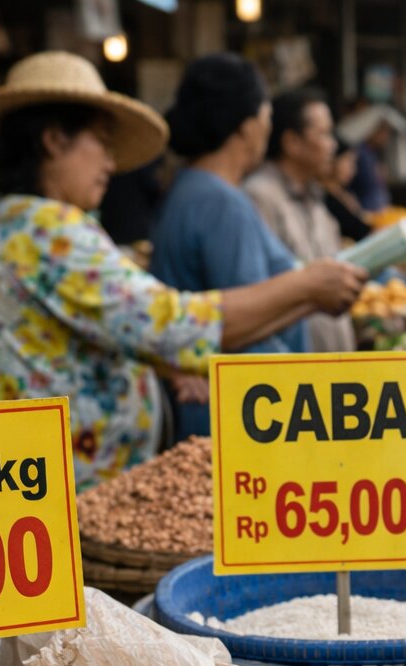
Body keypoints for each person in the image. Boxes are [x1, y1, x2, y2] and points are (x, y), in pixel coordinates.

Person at [0, 52, 365, 482]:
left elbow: (110, 324)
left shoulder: (10, 218)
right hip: (70, 486)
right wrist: (304, 288)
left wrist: (162, 362)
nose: (111, 164)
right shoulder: (45, 229)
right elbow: (169, 324)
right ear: (55, 140)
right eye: (102, 142)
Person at [150, 55, 309, 438]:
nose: (268, 126)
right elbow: (243, 323)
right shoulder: (220, 203)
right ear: (247, 125)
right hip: (236, 420)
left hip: (216, 410)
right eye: (266, 113)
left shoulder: (190, 187)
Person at [246, 87, 354, 354]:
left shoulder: (316, 196)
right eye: (324, 134)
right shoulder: (260, 197)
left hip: (332, 358)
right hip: (293, 369)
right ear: (292, 142)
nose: (333, 145)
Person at [325, 139, 372, 241]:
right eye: (348, 162)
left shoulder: (346, 193)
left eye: (354, 163)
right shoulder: (324, 197)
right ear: (332, 161)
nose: (353, 170)